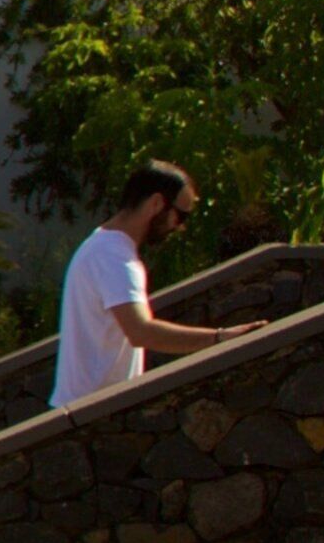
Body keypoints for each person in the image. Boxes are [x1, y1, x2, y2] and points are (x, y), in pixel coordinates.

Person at [52, 161, 256, 407]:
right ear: (156, 204)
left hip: (89, 411)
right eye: (181, 216)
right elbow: (141, 331)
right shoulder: (113, 257)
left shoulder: (101, 246)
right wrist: (219, 339)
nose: (180, 227)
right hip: (93, 416)